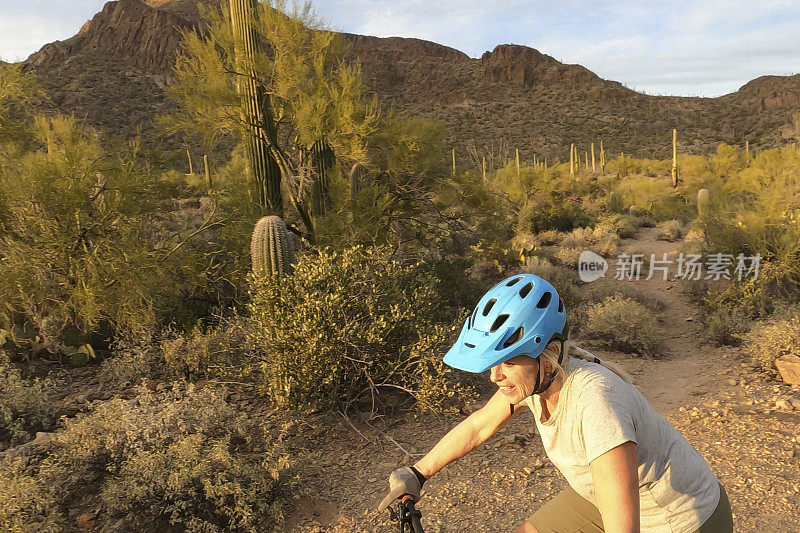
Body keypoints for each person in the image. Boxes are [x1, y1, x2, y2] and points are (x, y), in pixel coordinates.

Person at [378, 273, 733, 532]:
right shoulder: (538, 380)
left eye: (509, 361)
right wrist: (417, 473)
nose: (495, 376)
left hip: (683, 517)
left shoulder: (596, 406)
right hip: (602, 496)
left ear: (546, 353)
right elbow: (478, 425)